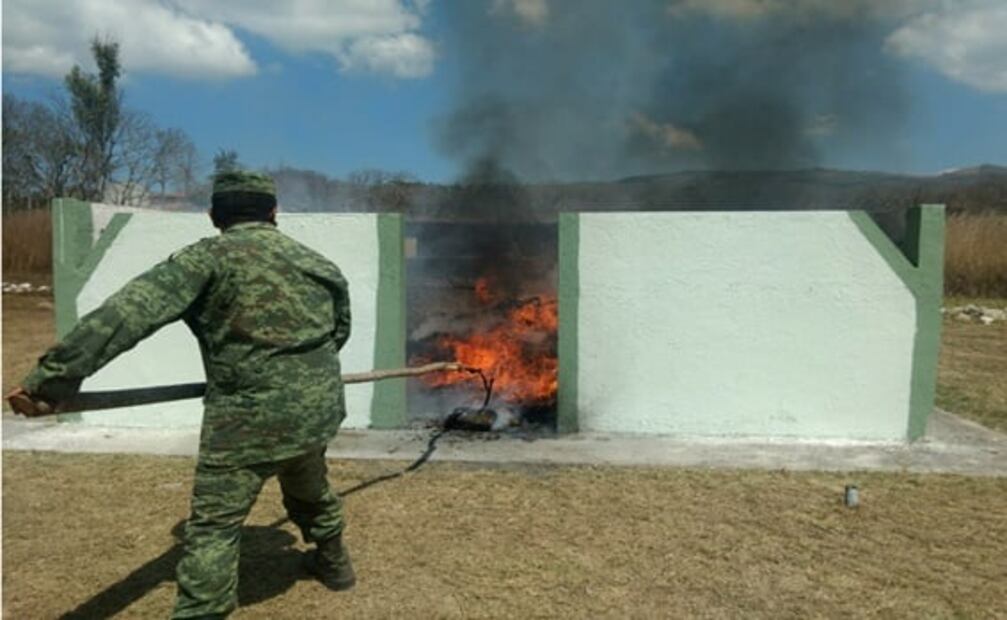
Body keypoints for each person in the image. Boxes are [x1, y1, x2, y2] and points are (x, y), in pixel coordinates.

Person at [6, 171, 355, 619]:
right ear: (273, 213)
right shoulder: (319, 264)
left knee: (213, 528)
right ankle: (334, 562)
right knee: (309, 484)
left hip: (246, 422)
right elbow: (338, 333)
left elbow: (125, 316)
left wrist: (49, 382)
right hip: (318, 409)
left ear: (214, 217)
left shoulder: (203, 260)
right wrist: (297, 378)